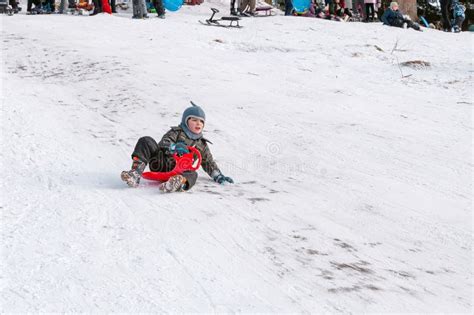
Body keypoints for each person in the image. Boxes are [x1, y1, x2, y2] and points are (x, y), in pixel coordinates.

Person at [121, 102, 234, 192]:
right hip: (161, 163)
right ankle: (135, 174)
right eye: (194, 120)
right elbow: (163, 142)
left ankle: (178, 183)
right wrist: (173, 146)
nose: (198, 123)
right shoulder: (177, 132)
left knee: (193, 174)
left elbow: (208, 162)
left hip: (180, 171)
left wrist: (218, 176)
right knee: (146, 140)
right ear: (186, 121)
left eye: (201, 121)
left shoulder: (202, 144)